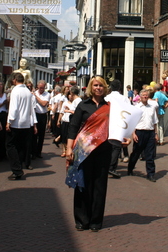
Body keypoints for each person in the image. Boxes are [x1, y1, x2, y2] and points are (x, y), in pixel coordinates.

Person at [65, 76, 112, 232]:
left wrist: (126, 137)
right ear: (91, 87)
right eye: (95, 85)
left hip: (103, 151)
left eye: (101, 85)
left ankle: (95, 221)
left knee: (100, 186)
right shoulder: (83, 106)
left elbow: (118, 126)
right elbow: (73, 127)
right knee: (83, 185)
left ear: (104, 87)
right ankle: (82, 220)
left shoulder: (110, 106)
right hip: (83, 151)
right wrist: (69, 148)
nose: (98, 87)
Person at [6, 73, 37, 180]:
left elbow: (13, 108)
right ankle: (19, 167)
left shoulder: (15, 91)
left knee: (10, 145)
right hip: (26, 123)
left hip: (16, 122)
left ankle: (16, 170)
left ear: (14, 80)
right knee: (21, 147)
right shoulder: (28, 91)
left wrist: (9, 121)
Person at [127, 88, 159, 181]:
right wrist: (133, 134)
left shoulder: (152, 107)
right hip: (139, 132)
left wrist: (155, 133)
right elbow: (132, 122)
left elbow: (155, 121)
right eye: (143, 95)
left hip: (150, 132)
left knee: (150, 155)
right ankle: (130, 168)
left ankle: (151, 174)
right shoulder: (136, 108)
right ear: (140, 97)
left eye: (146, 95)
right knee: (136, 153)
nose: (145, 97)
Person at [59, 86, 81, 157]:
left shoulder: (77, 101)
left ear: (72, 93)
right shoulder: (76, 101)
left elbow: (77, 112)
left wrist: (68, 111)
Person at [32, 80, 50, 159]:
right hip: (35, 115)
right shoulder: (33, 93)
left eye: (42, 88)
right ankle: (33, 152)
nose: (41, 89)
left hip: (43, 115)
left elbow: (43, 104)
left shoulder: (47, 94)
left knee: (41, 135)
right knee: (34, 135)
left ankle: (38, 152)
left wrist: (36, 97)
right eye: (40, 88)